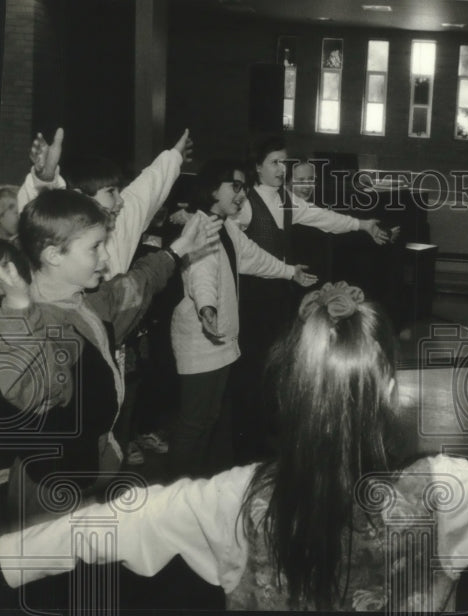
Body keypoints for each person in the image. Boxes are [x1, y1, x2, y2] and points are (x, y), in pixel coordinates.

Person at [0, 283, 468, 610]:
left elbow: (102, 529)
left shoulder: (231, 500)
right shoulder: (446, 495)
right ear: (387, 388)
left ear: (287, 390)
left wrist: (11, 557)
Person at [0, 190, 221, 525]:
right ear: (53, 255)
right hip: (50, 493)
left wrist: (177, 251)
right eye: (94, 247)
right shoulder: (40, 326)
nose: (105, 258)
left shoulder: (86, 303)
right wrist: (17, 309)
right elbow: (33, 386)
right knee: (57, 573)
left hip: (88, 476)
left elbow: (135, 285)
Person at [231, 136, 390, 464]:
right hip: (250, 300)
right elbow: (224, 235)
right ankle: (246, 450)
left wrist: (362, 224)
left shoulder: (287, 201)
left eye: (283, 163)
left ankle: (269, 444)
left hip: (280, 298)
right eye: (275, 162)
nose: (281, 169)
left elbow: (324, 217)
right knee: (252, 371)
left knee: (277, 368)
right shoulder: (245, 203)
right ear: (257, 167)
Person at [169, 160, 316, 479]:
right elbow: (200, 272)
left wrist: (290, 272)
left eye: (244, 188)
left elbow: (253, 257)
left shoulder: (225, 226)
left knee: (209, 420)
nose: (242, 194)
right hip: (200, 340)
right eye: (235, 186)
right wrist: (207, 307)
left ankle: (195, 486)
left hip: (220, 340)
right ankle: (172, 494)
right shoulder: (198, 226)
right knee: (195, 423)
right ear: (212, 190)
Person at [18, 127, 194, 279]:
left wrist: (175, 156)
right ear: (82, 198)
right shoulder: (62, 229)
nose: (121, 200)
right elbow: (39, 219)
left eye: (119, 190)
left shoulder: (121, 221)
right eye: (110, 192)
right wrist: (45, 178)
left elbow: (151, 183)